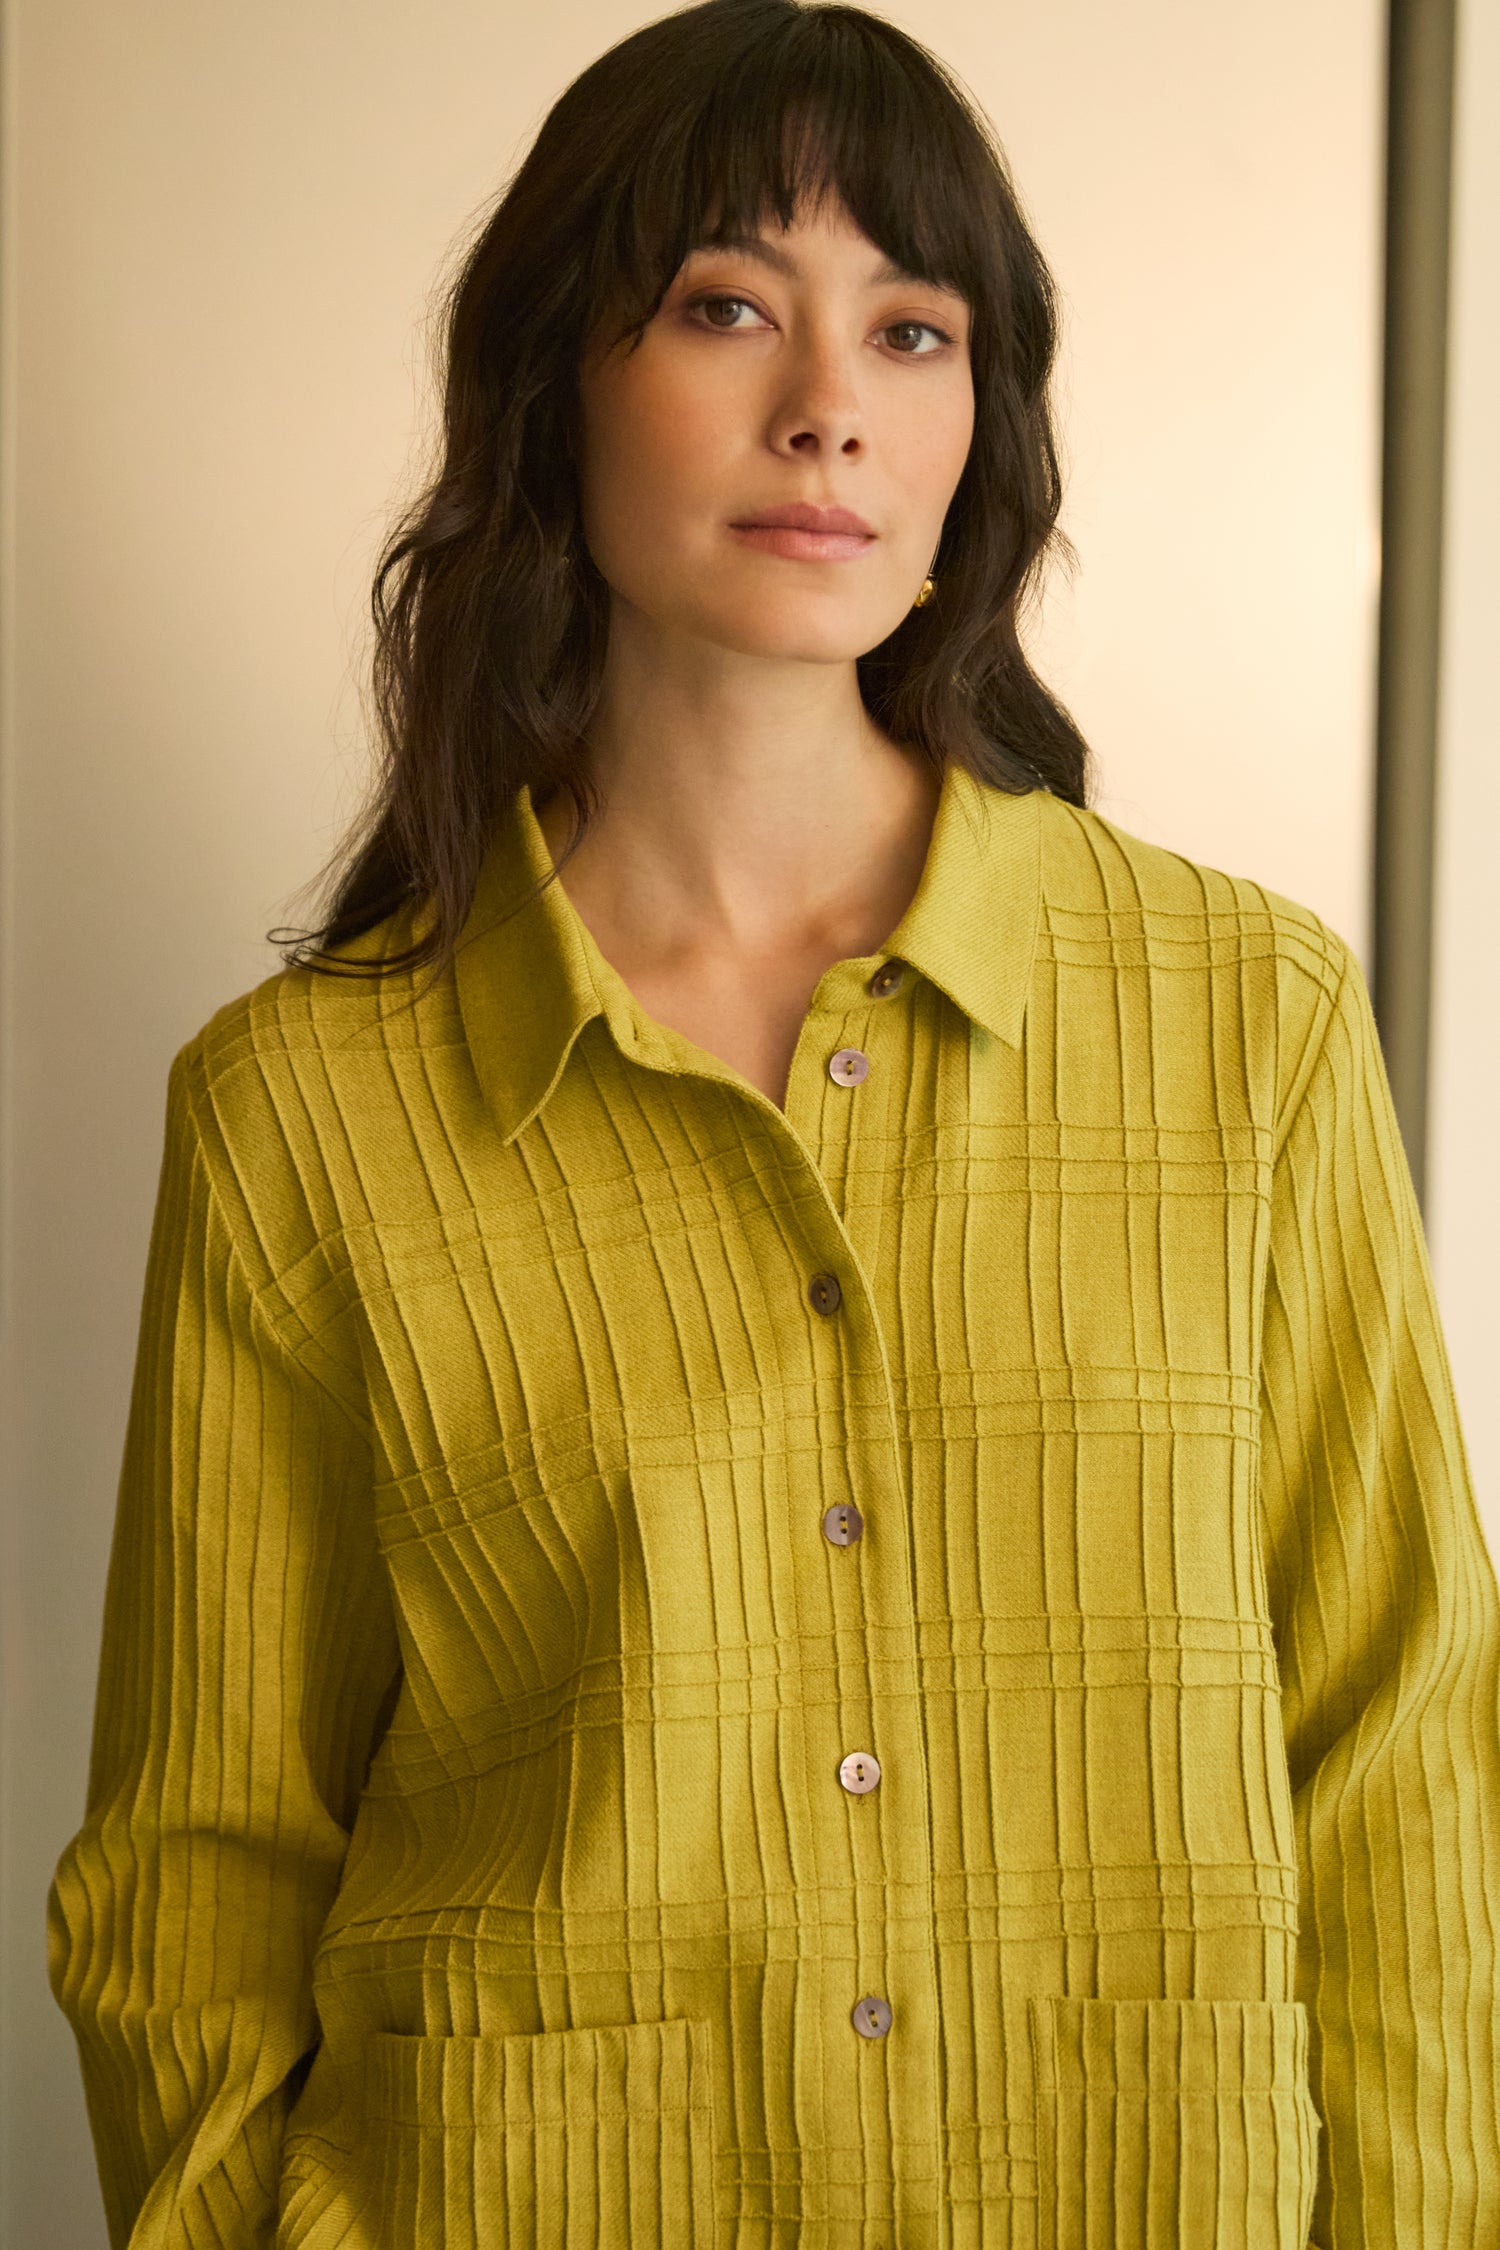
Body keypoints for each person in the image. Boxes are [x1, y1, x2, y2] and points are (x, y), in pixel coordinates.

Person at [46, 2, 1500, 2244]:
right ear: (556, 384)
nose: (828, 406)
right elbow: (197, 1873)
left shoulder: (1253, 1028)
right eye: (729, 305)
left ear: (977, 430)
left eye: (912, 332)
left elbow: (1401, 1772)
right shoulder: (304, 1115)